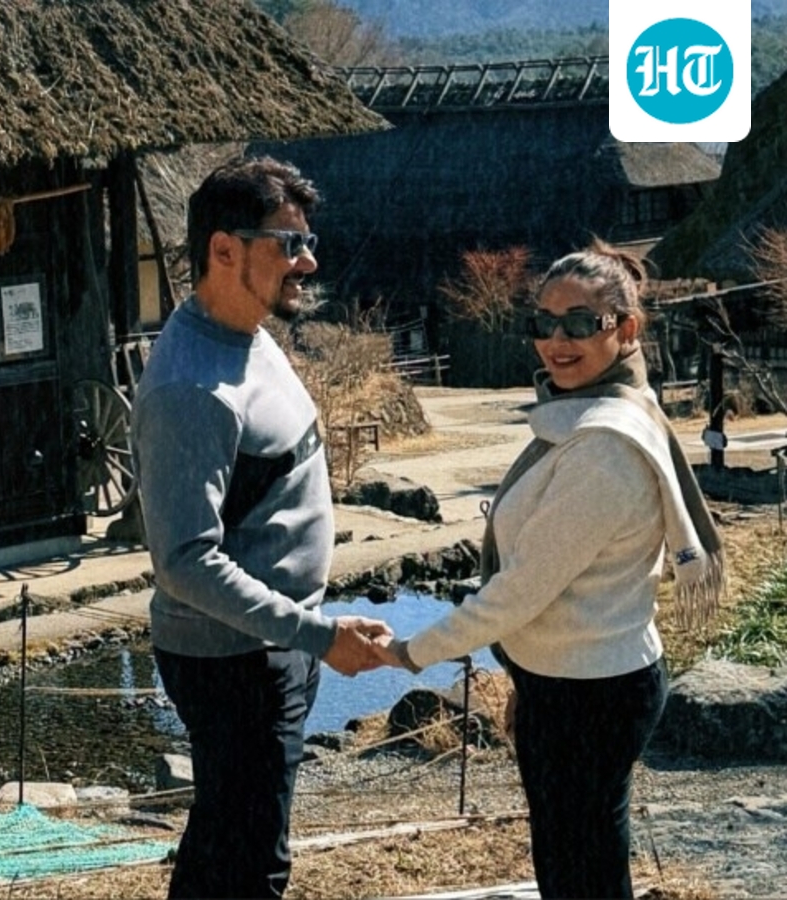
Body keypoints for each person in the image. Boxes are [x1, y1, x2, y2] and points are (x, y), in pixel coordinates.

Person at [377, 240, 724, 898]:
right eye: (543, 323)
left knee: (579, 873)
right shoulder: (602, 410)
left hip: (588, 693)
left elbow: (519, 592)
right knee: (581, 862)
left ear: (625, 329)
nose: (556, 342)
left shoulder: (602, 448)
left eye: (580, 324)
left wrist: (409, 650)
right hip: (581, 677)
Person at [131, 156, 391, 899]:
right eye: (288, 243)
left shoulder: (246, 332)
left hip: (272, 643)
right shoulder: (190, 387)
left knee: (222, 841)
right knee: (253, 864)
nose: (306, 260)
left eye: (307, 241)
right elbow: (184, 562)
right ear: (224, 250)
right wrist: (313, 637)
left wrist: (311, 626)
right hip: (236, 661)